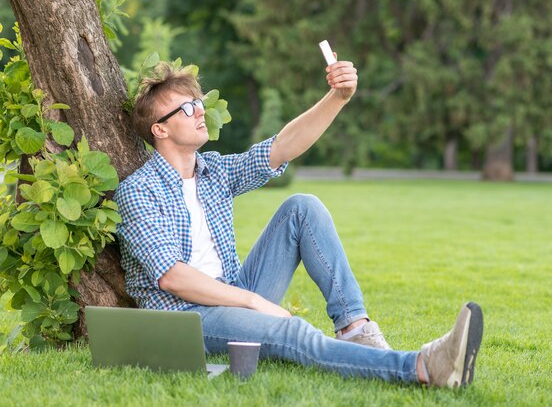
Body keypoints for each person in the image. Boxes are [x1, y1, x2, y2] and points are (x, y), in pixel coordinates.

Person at [114, 57, 483, 388]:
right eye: (186, 108)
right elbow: (173, 277)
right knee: (290, 331)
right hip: (187, 317)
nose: (199, 112)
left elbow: (282, 146)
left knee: (302, 208)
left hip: (233, 289)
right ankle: (422, 367)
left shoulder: (214, 172)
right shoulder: (138, 191)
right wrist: (256, 303)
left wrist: (337, 97)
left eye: (198, 103)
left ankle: (355, 329)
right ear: (160, 130)